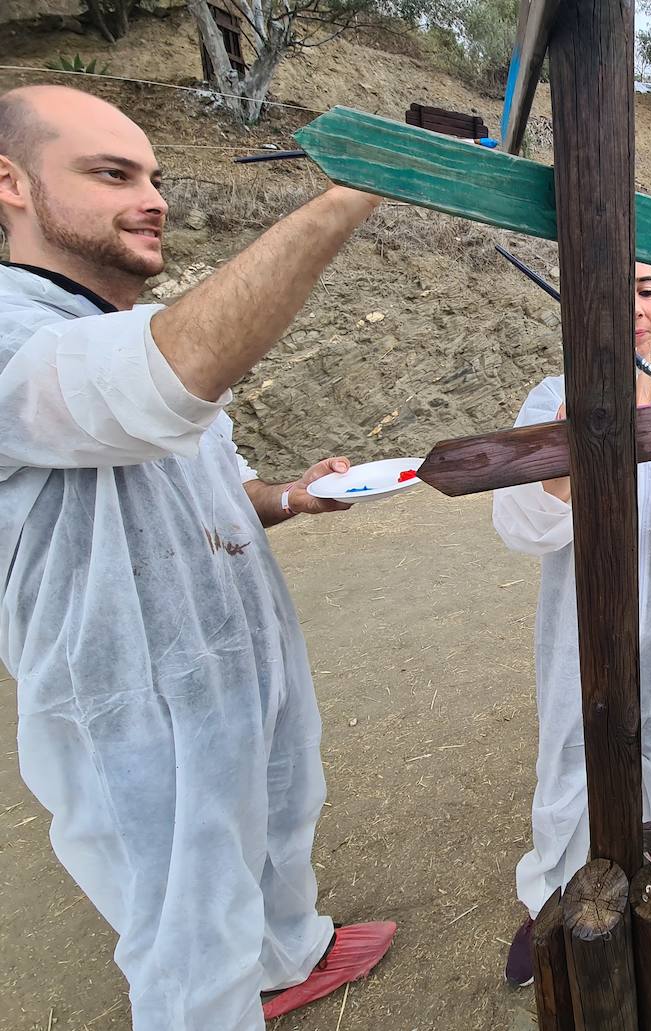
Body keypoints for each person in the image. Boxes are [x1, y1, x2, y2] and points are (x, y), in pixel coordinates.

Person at [0, 85, 397, 1029]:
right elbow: (156, 388)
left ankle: (289, 955)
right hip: (135, 711)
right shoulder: (20, 335)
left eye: (154, 175)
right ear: (8, 184)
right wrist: (355, 193)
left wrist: (291, 495)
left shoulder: (121, 330)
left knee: (274, 825)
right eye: (111, 174)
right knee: (188, 933)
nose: (153, 198)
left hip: (232, 665)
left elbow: (211, 482)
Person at [493, 261, 651, 985]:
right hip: (579, 624)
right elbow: (519, 522)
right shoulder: (552, 397)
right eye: (609, 287)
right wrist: (559, 455)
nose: (632, 306)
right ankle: (552, 898)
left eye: (645, 288)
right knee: (573, 749)